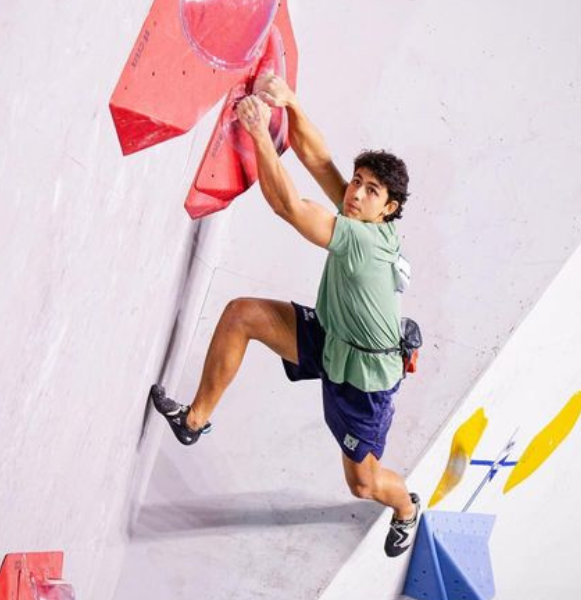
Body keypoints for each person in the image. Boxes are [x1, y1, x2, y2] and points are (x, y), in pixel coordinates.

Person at [150, 74, 420, 557]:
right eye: (357, 182)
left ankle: (406, 509)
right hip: (333, 337)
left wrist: (258, 133)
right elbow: (317, 159)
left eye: (371, 190)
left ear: (389, 208)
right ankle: (194, 420)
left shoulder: (361, 239)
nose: (355, 194)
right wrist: (292, 103)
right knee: (243, 316)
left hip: (362, 384)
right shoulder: (363, 216)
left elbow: (288, 206)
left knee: (364, 484)